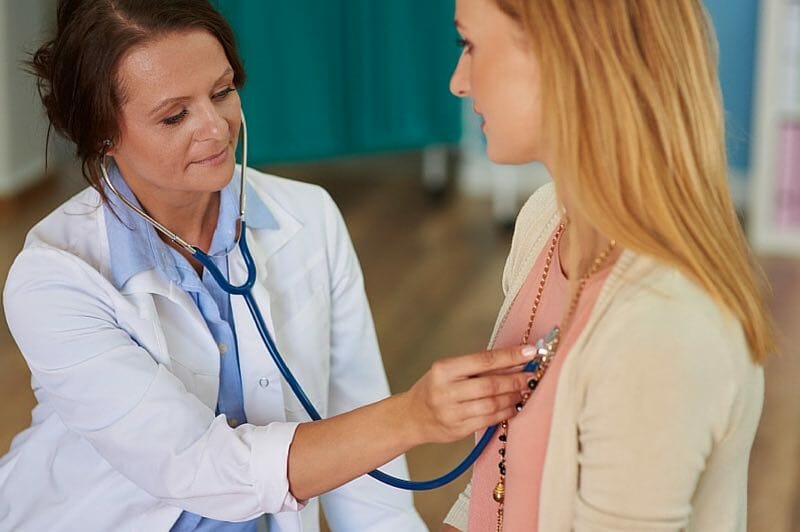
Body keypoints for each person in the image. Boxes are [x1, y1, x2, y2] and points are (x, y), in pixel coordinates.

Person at [0, 1, 537, 531]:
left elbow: (359, 436)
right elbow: (197, 467)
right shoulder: (55, 278)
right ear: (102, 135)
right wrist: (415, 415)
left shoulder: (309, 218)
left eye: (222, 91)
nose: (215, 128)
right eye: (174, 115)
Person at [442, 0, 774, 531]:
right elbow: (499, 483)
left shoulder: (663, 329)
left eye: (471, 45)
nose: (459, 82)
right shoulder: (545, 222)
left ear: (563, 58)